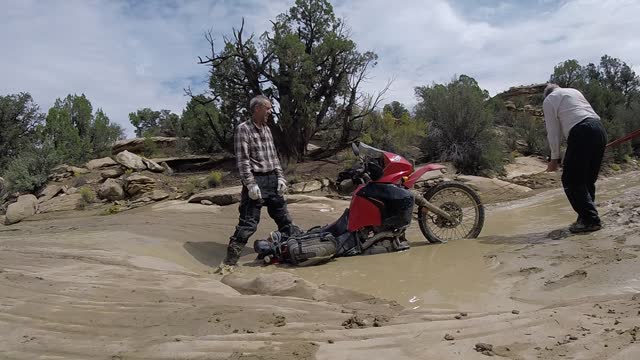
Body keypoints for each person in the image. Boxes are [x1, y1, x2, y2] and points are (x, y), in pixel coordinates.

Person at [218, 95, 297, 270]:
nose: (270, 111)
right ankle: (229, 262)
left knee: (284, 218)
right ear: (257, 109)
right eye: (267, 108)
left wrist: (281, 177)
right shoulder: (243, 129)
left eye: (270, 108)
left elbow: (274, 157)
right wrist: (250, 184)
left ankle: (291, 251)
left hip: (272, 179)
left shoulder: (267, 129)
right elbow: (243, 160)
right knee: (248, 223)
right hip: (256, 180)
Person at [542, 83, 607, 233]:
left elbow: (553, 131)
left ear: (546, 94)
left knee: (570, 180)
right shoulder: (574, 91)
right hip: (599, 129)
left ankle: (591, 220)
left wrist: (554, 159)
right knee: (586, 180)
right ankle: (585, 219)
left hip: (581, 131)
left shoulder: (549, 100)